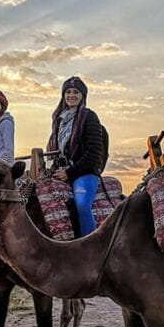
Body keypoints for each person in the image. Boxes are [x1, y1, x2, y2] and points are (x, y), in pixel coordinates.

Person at [47, 76, 104, 237]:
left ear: (82, 96)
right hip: (61, 171)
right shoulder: (59, 119)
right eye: (68, 92)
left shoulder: (89, 116)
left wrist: (70, 172)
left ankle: (90, 244)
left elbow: (94, 153)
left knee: (82, 205)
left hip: (84, 173)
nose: (71, 95)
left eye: (76, 92)